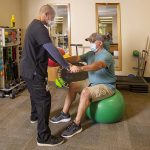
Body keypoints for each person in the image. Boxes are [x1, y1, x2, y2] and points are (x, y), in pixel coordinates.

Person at [20, 4, 78, 147]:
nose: (52, 20)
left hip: (27, 70)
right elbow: (50, 49)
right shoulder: (40, 28)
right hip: (34, 71)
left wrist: (56, 52)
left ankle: (34, 116)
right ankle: (43, 137)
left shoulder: (33, 25)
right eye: (52, 17)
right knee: (44, 99)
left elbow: (43, 47)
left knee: (35, 95)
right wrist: (67, 65)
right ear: (46, 14)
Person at [50, 32, 116, 138]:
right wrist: (61, 61)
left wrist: (81, 68)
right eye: (89, 41)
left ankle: (77, 124)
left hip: (106, 85)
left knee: (85, 92)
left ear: (99, 43)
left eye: (92, 41)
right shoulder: (90, 54)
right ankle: (64, 114)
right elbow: (76, 58)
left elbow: (97, 65)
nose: (90, 43)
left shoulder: (106, 55)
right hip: (91, 82)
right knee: (73, 85)